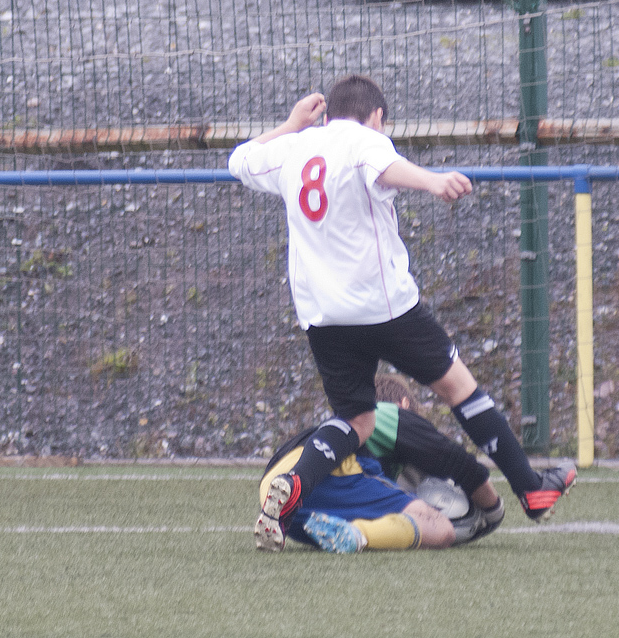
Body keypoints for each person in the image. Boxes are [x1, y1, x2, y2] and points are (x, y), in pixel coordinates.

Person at [228, 74, 576, 552]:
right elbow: (385, 166)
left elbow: (238, 161)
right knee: (458, 388)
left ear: (328, 115)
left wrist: (289, 124)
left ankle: (296, 489)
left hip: (324, 315)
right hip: (385, 306)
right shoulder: (365, 141)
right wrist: (433, 181)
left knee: (356, 419)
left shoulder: (295, 148)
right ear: (377, 118)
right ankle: (530, 487)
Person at [258, 375, 505, 552]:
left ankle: (349, 531)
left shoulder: (343, 427)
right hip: (333, 475)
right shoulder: (385, 412)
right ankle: (358, 536)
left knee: (342, 524)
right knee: (441, 530)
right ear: (406, 404)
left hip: (276, 484)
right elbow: (451, 455)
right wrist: (492, 509)